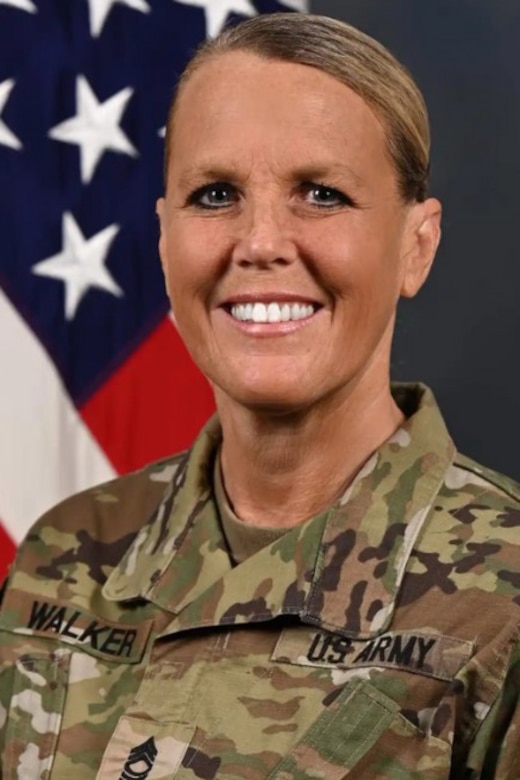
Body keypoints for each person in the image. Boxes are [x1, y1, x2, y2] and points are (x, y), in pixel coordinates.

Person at [1, 11, 520, 779]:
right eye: (215, 195)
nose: (261, 241)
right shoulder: (64, 558)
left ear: (417, 245)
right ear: (163, 238)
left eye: (320, 193)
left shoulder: (504, 603)